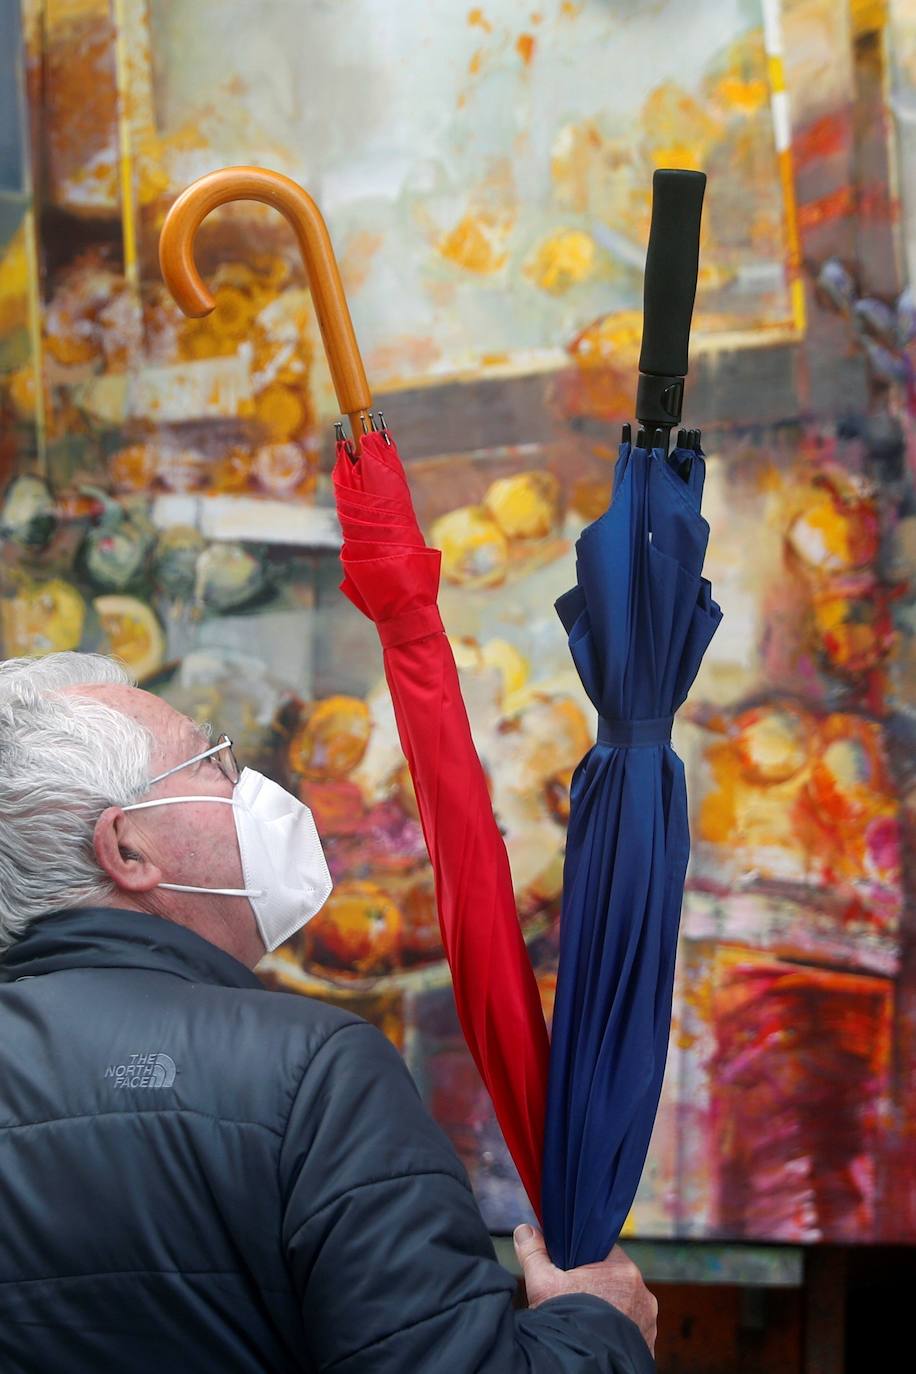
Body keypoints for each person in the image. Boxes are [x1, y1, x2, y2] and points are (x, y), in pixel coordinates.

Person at [0, 652, 657, 1373]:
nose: (248, 786)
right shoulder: (312, 1073)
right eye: (210, 763)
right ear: (128, 847)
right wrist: (599, 1329)